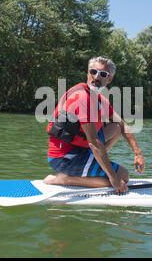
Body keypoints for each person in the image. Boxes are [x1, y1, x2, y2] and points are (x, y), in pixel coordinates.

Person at [43, 56, 145, 193]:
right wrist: (113, 179)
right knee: (123, 176)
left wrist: (137, 152)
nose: (96, 76)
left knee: (115, 127)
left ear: (109, 79)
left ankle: (95, 164)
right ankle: (63, 179)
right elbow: (94, 142)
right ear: (88, 73)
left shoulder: (100, 100)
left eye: (103, 74)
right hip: (65, 158)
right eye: (93, 71)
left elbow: (122, 125)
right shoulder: (83, 97)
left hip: (81, 150)